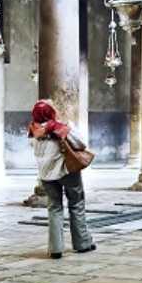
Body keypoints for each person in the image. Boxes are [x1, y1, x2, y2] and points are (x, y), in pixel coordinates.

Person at [29, 100, 95, 259]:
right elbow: (81, 143)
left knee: (54, 208)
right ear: (51, 112)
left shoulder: (33, 132)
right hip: (66, 171)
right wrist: (68, 126)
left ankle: (56, 249)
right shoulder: (60, 128)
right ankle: (82, 243)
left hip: (45, 176)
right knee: (76, 203)